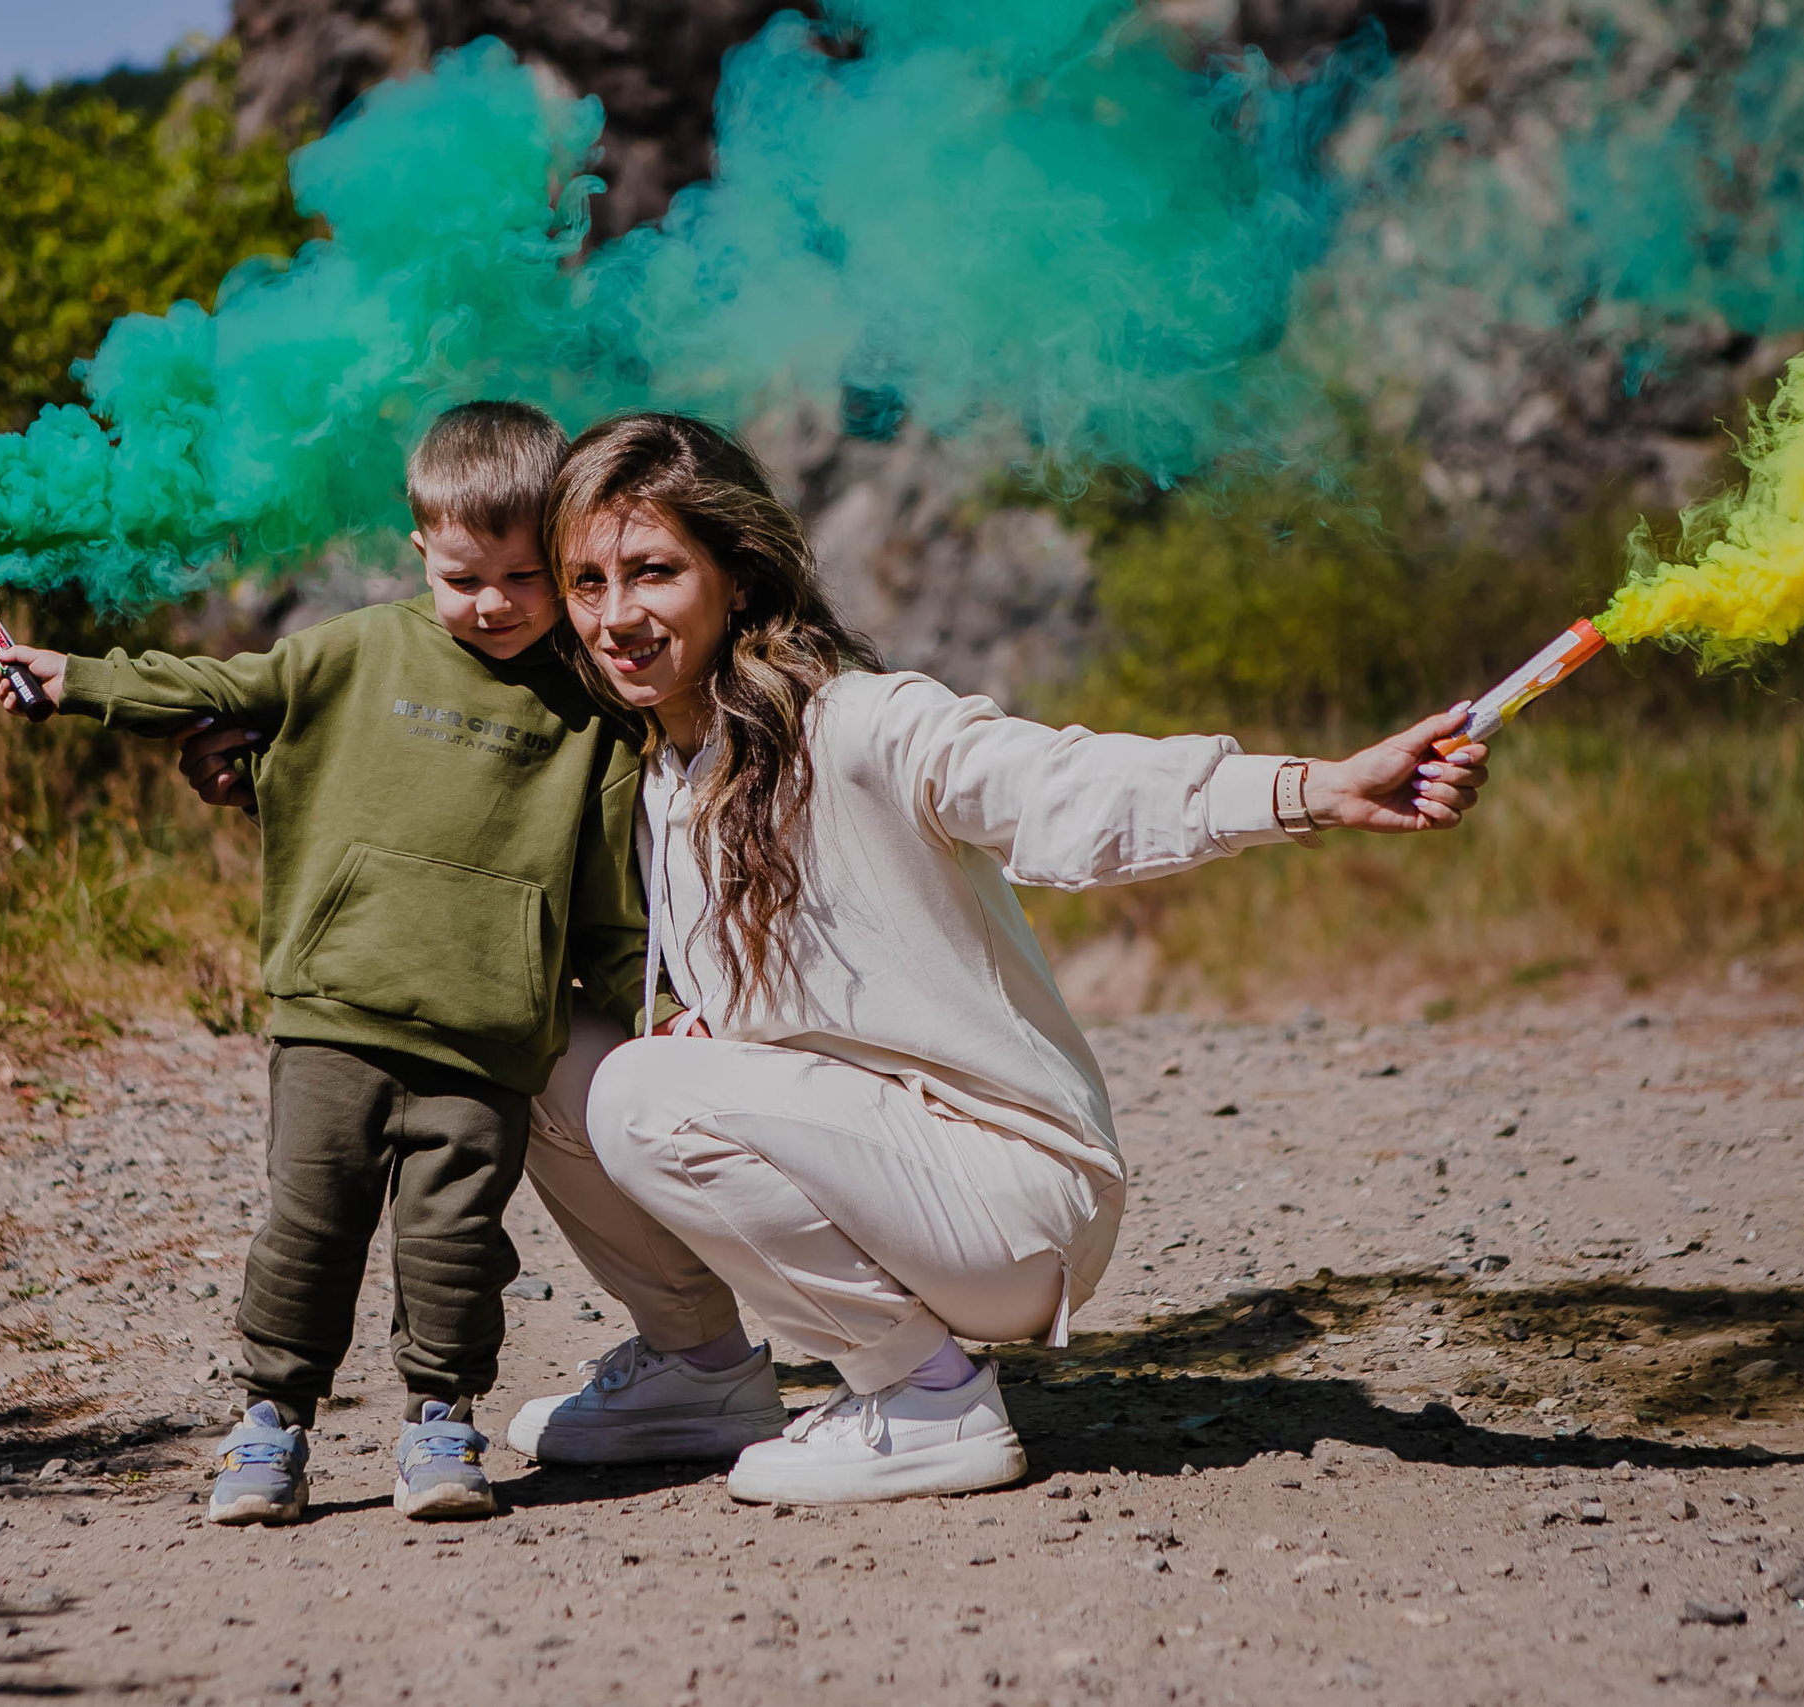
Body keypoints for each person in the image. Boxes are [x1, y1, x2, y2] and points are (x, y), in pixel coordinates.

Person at [495, 412, 1493, 1505]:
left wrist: (1315, 788)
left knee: (643, 1090)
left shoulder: (861, 722)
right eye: (586, 582)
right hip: (890, 1167)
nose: (616, 616)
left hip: (1011, 1200)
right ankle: (698, 1374)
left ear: (738, 576)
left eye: (651, 572)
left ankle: (925, 1400)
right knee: (548, 1054)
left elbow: (1064, 785)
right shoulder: (663, 774)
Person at [0, 401, 666, 1525]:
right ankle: (269, 1426)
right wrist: (78, 680)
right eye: (462, 577)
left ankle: (441, 1427)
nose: (491, 603)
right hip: (334, 1018)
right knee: (306, 1233)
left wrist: (659, 1005)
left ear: (560, 560)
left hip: (486, 1042)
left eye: (521, 576)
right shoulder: (356, 651)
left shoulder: (588, 717)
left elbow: (607, 904)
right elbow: (216, 691)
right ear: (419, 552)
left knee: (455, 1249)